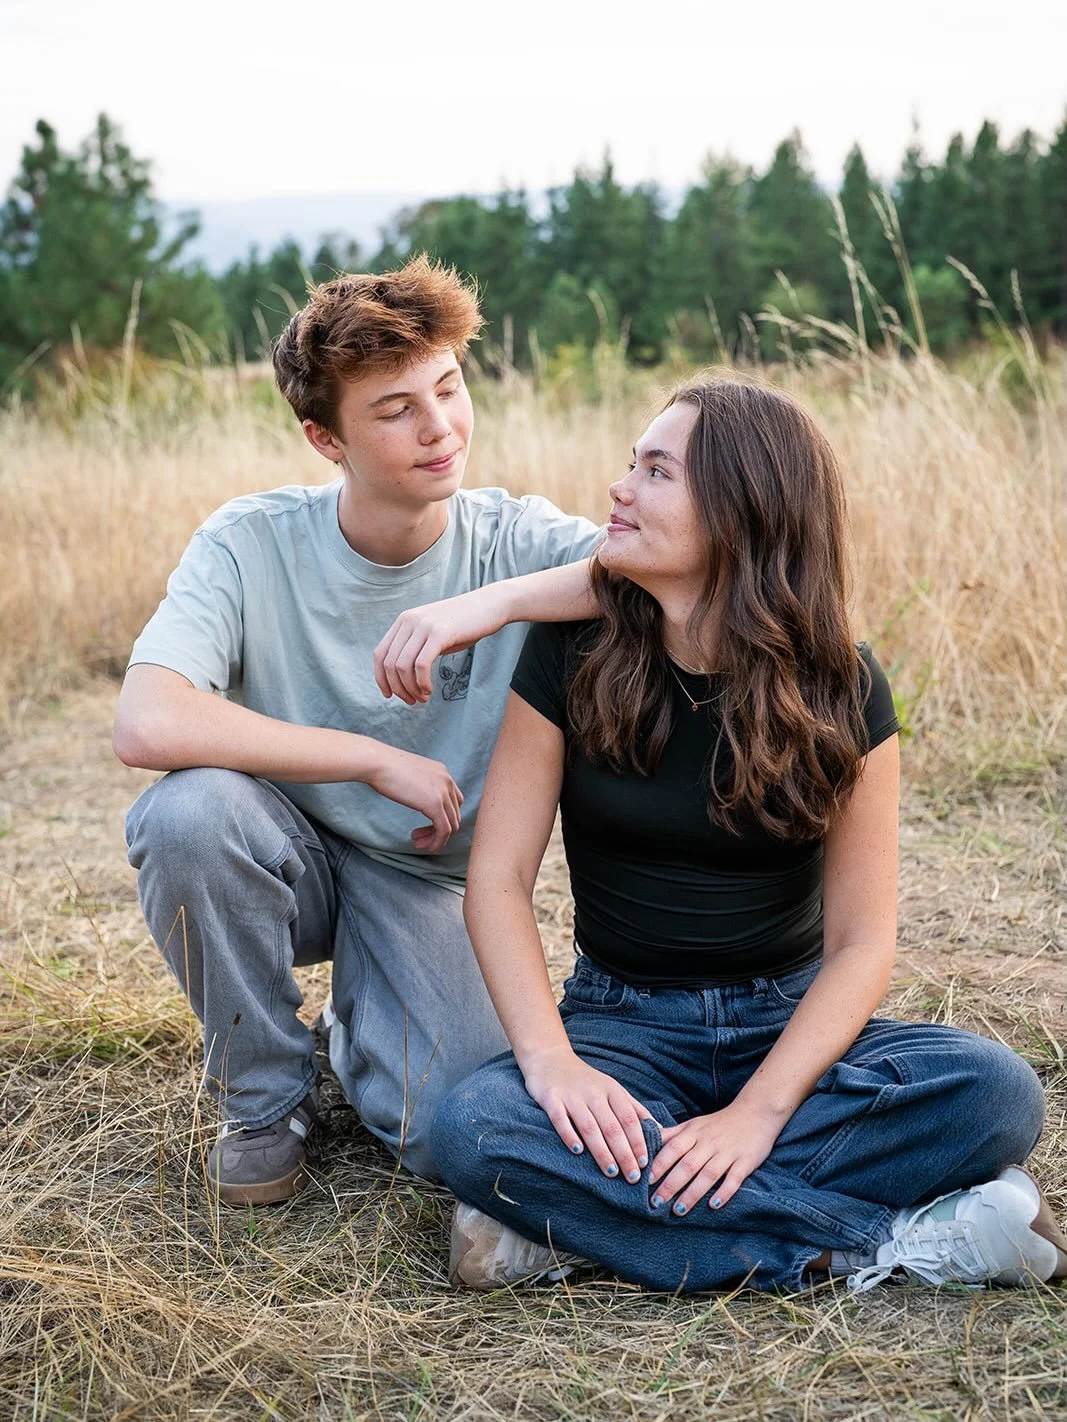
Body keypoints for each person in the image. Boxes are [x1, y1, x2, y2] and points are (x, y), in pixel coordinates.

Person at [430, 373, 1067, 1294]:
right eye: (630, 463)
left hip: (791, 1024)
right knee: (473, 1130)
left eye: (655, 471)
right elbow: (496, 881)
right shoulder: (571, 653)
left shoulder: (841, 685)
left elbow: (860, 941)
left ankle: (584, 1227)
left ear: (739, 514)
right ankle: (881, 1243)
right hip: (621, 1027)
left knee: (995, 1093)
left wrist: (758, 1116)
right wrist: (552, 1062)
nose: (618, 487)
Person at [113, 256, 602, 1204]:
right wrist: (372, 759)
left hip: (428, 876)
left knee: (453, 1126)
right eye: (394, 409)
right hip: (281, 853)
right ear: (323, 437)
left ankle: (365, 1024)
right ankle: (265, 1097)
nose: (440, 428)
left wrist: (488, 607)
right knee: (186, 817)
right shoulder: (249, 541)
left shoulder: (515, 542)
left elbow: (665, 562)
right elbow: (147, 718)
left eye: (449, 388)